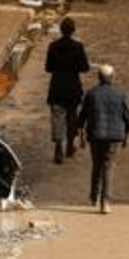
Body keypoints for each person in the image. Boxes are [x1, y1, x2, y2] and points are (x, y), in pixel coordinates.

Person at [78, 64, 129, 213]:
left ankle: (94, 196)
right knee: (108, 167)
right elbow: (128, 118)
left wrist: (81, 135)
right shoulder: (120, 94)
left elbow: (82, 117)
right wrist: (126, 135)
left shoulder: (91, 94)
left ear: (99, 78)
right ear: (113, 77)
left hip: (95, 135)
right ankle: (105, 202)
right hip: (115, 137)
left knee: (96, 164)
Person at [44, 17, 91, 164]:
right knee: (72, 118)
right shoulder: (78, 47)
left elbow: (48, 68)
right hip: (73, 87)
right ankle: (70, 145)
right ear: (73, 31)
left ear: (61, 29)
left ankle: (58, 146)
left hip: (57, 87)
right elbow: (85, 67)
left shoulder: (53, 46)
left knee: (58, 117)